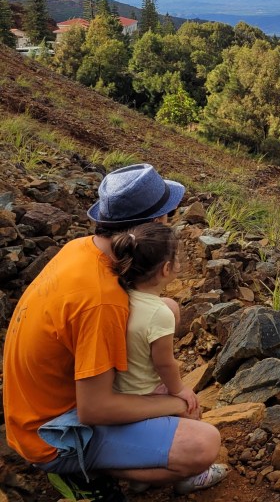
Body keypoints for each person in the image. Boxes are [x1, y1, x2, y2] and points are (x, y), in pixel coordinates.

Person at [3, 164, 223, 502]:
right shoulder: (102, 301)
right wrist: (172, 403)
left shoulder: (82, 248)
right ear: (154, 226)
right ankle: (79, 472)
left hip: (39, 400)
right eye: (168, 214)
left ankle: (134, 447)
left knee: (167, 309)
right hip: (51, 432)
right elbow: (94, 409)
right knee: (203, 443)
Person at [110, 222, 227, 494]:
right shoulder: (157, 314)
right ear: (165, 269)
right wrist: (179, 391)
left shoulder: (122, 295)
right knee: (191, 410)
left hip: (121, 388)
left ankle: (141, 476)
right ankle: (190, 476)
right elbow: (164, 363)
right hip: (145, 393)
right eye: (176, 258)